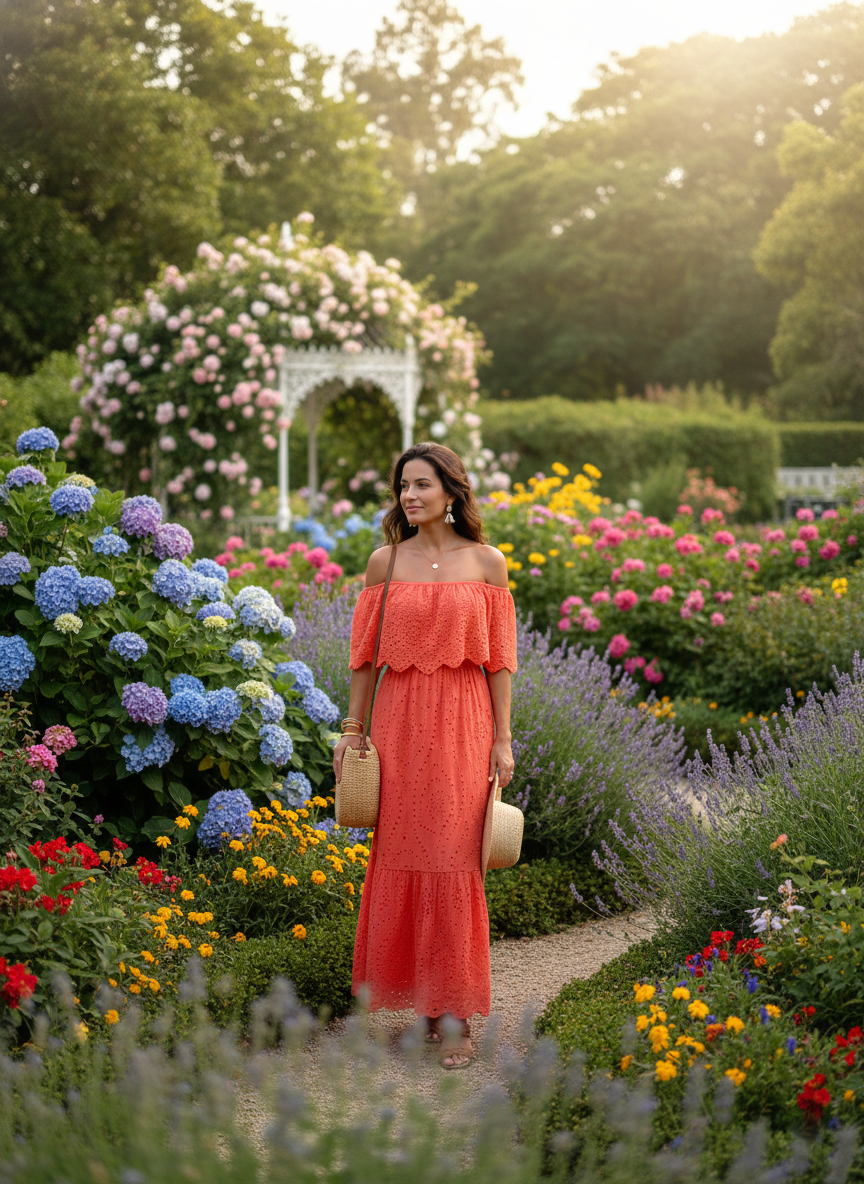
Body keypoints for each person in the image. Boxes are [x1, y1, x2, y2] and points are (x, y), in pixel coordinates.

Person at [333, 441, 517, 1069]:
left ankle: (457, 1017)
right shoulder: (383, 564)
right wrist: (352, 730)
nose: (409, 496)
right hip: (399, 724)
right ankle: (424, 1006)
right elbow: (364, 658)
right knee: (405, 851)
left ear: (451, 491)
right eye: (403, 487)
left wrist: (503, 738)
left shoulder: (488, 564)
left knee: (454, 856)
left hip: (465, 724)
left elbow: (500, 664)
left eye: (421, 485)